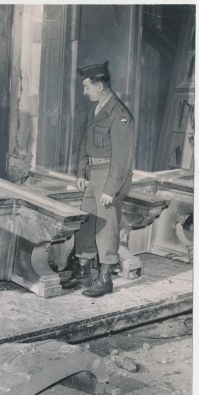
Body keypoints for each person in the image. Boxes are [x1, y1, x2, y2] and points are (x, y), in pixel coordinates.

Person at [61, 61, 135, 297]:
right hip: (93, 175)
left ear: (100, 85)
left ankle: (105, 278)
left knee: (107, 227)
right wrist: (82, 173)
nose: (85, 92)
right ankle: (83, 272)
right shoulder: (94, 110)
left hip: (109, 177)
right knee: (87, 223)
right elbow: (84, 143)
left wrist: (110, 190)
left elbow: (122, 158)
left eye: (87, 87)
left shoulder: (120, 114)